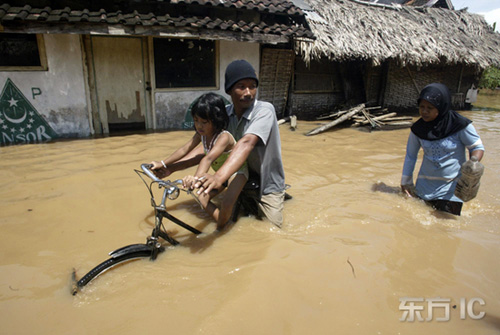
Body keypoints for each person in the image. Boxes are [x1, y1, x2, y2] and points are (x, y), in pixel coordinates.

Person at [194, 59, 286, 227]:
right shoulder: (225, 114)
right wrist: (170, 166)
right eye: (241, 86)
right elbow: (206, 147)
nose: (249, 92)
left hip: (267, 184)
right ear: (229, 90)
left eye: (252, 86)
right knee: (201, 201)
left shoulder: (265, 110)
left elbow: (246, 142)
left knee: (273, 230)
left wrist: (218, 176)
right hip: (239, 178)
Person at [150, 93, 248, 231]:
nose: (199, 126)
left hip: (236, 172)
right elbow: (185, 149)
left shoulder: (223, 137)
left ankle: (221, 230)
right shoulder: (201, 135)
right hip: (218, 174)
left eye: (204, 122)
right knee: (202, 198)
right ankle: (223, 224)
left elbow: (207, 159)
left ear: (216, 120)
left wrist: (195, 179)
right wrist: (163, 163)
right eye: (196, 120)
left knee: (227, 202)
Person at [401, 83, 485, 216]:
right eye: (422, 107)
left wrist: (473, 163)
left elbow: (477, 147)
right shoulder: (418, 129)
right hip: (424, 187)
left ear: (441, 107)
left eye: (430, 108)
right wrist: (405, 181)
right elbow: (411, 156)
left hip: (452, 189)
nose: (424, 111)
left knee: (447, 227)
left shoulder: (459, 125)